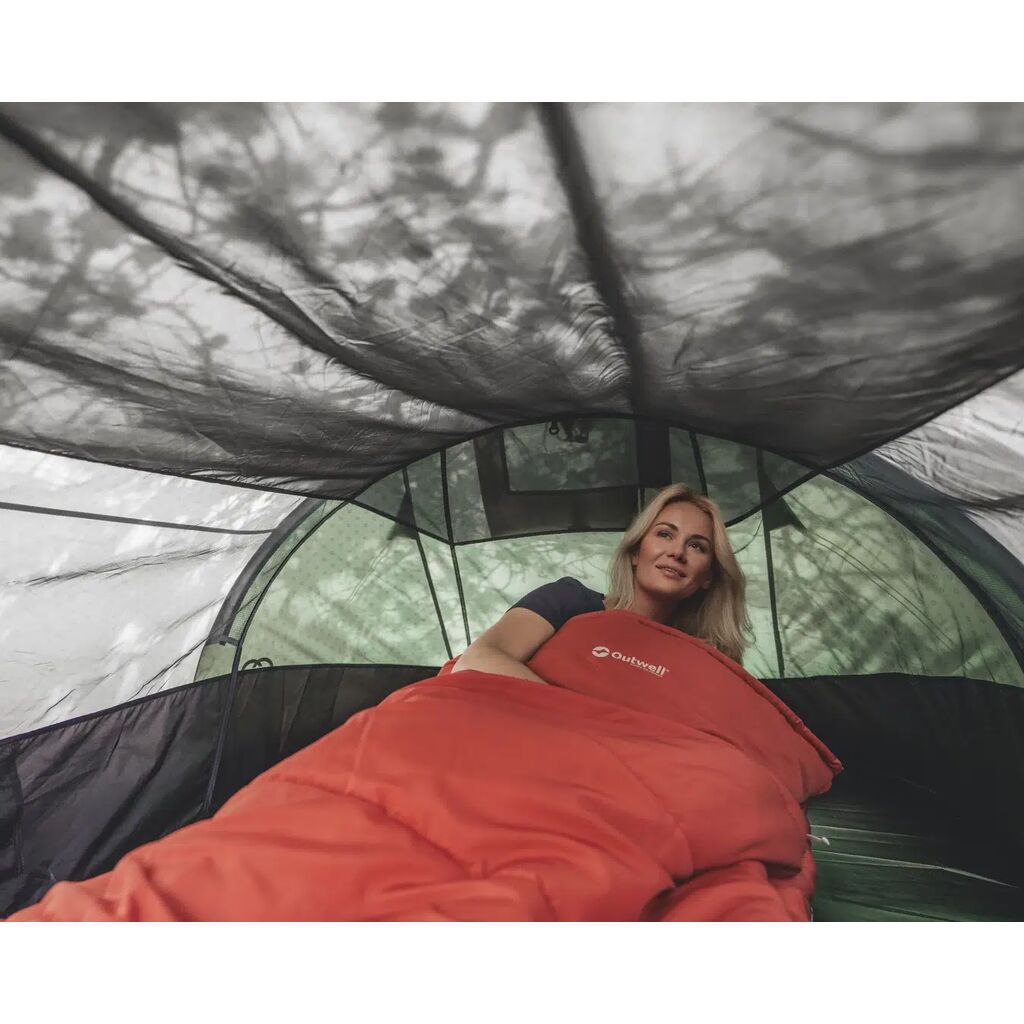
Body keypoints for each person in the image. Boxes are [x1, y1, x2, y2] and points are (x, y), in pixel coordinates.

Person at [452, 482, 750, 683]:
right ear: (636, 551)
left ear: (708, 577)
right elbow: (478, 660)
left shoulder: (701, 660)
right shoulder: (568, 599)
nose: (677, 552)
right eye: (664, 534)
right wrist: (584, 716)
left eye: (696, 546)